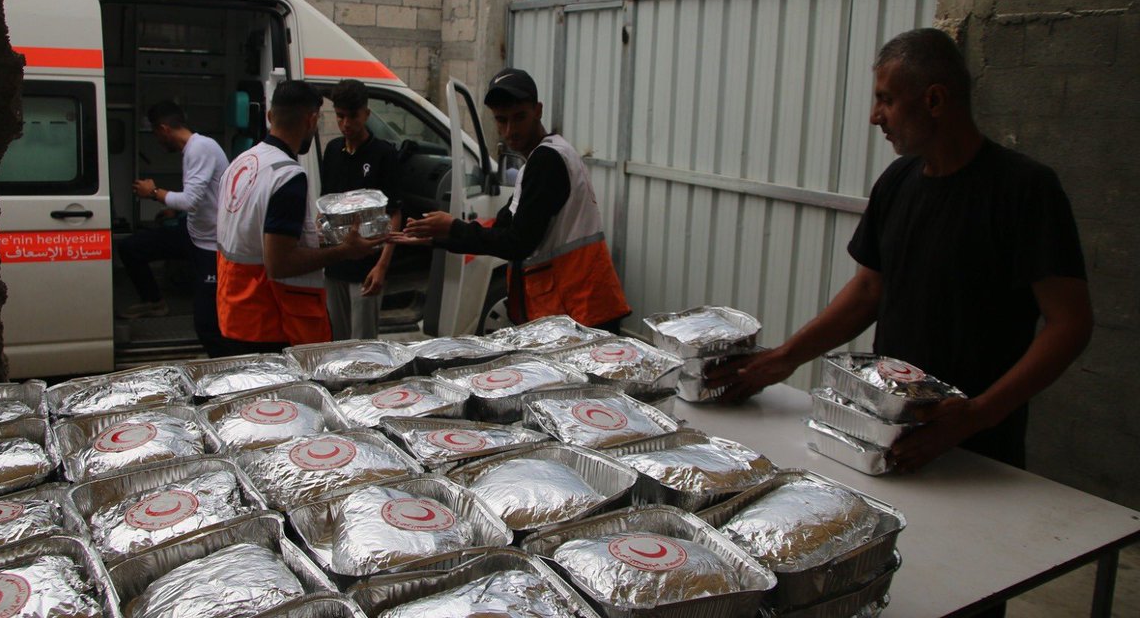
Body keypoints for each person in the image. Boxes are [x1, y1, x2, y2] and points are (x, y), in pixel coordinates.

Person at [706, 27, 1093, 474]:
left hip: (976, 451)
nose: (875, 117)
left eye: (886, 99)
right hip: (886, 436)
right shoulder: (897, 182)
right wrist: (781, 360)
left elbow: (1071, 324)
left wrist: (976, 415)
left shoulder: (1024, 190)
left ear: (933, 100)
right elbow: (869, 291)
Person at [394, 67, 630, 332]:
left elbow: (518, 242)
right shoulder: (539, 158)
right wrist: (439, 238)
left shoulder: (547, 161)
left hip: (581, 311)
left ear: (538, 110)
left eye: (519, 118)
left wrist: (453, 228)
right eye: (501, 120)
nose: (510, 130)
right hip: (568, 310)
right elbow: (503, 227)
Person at [215, 80, 380, 353]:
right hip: (269, 322)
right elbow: (279, 263)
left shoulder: (241, 162)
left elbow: (252, 236)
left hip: (233, 312)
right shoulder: (287, 176)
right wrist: (345, 250)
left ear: (270, 116)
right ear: (311, 119)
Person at [117, 101, 229, 356]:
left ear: (164, 129)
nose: (158, 141)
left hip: (210, 244)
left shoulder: (200, 149)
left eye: (157, 134)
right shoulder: (192, 149)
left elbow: (190, 199)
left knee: (207, 323)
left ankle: (223, 365)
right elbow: (198, 198)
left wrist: (154, 192)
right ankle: (154, 302)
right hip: (191, 231)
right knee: (132, 247)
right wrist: (173, 209)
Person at [320, 79, 402, 339]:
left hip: (366, 267)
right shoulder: (332, 150)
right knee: (337, 344)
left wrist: (382, 267)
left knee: (363, 347)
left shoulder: (383, 154)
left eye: (352, 116)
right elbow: (326, 205)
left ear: (366, 114)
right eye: (340, 116)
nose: (346, 123)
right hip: (334, 265)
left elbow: (395, 214)